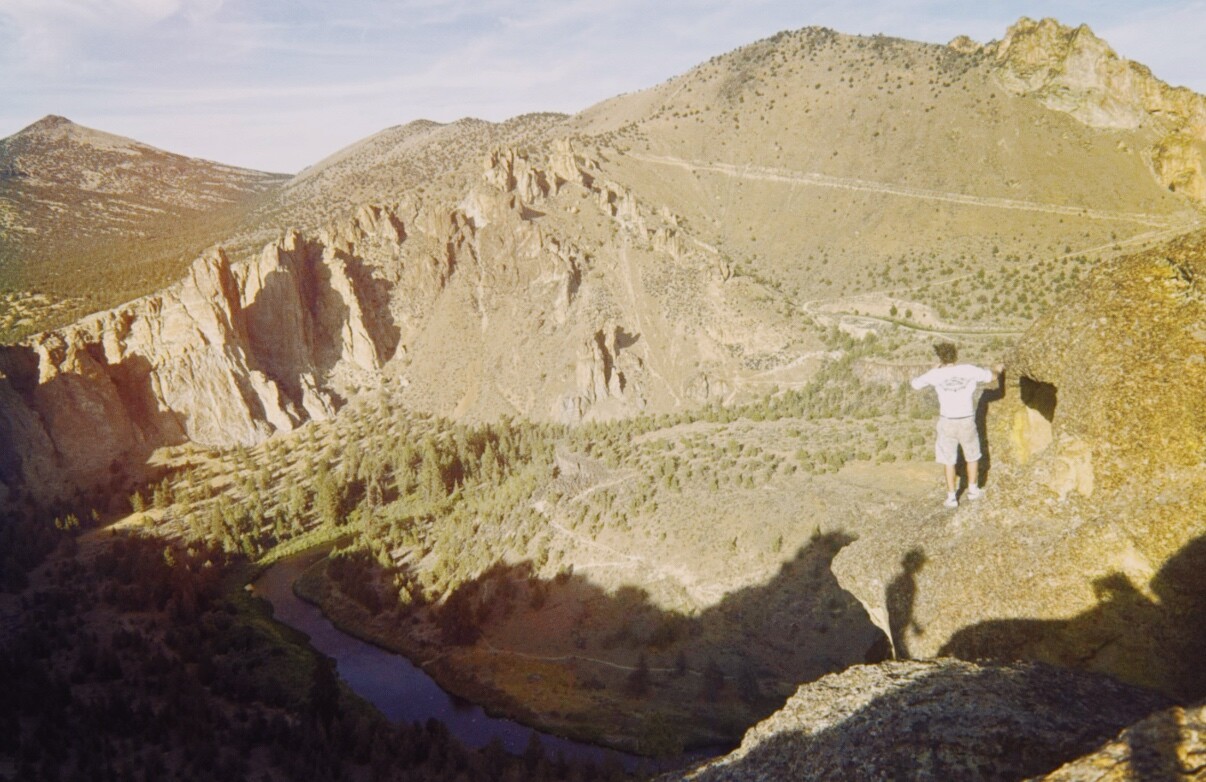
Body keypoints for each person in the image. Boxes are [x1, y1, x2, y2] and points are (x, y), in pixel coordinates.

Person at [910, 342, 1003, 508]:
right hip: (966, 420)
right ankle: (973, 491)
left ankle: (952, 498)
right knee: (972, 456)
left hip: (947, 421)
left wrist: (933, 369)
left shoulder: (935, 374)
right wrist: (997, 369)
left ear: (940, 358)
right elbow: (992, 377)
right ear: (956, 355)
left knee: (949, 460)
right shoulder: (968, 370)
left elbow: (915, 384)